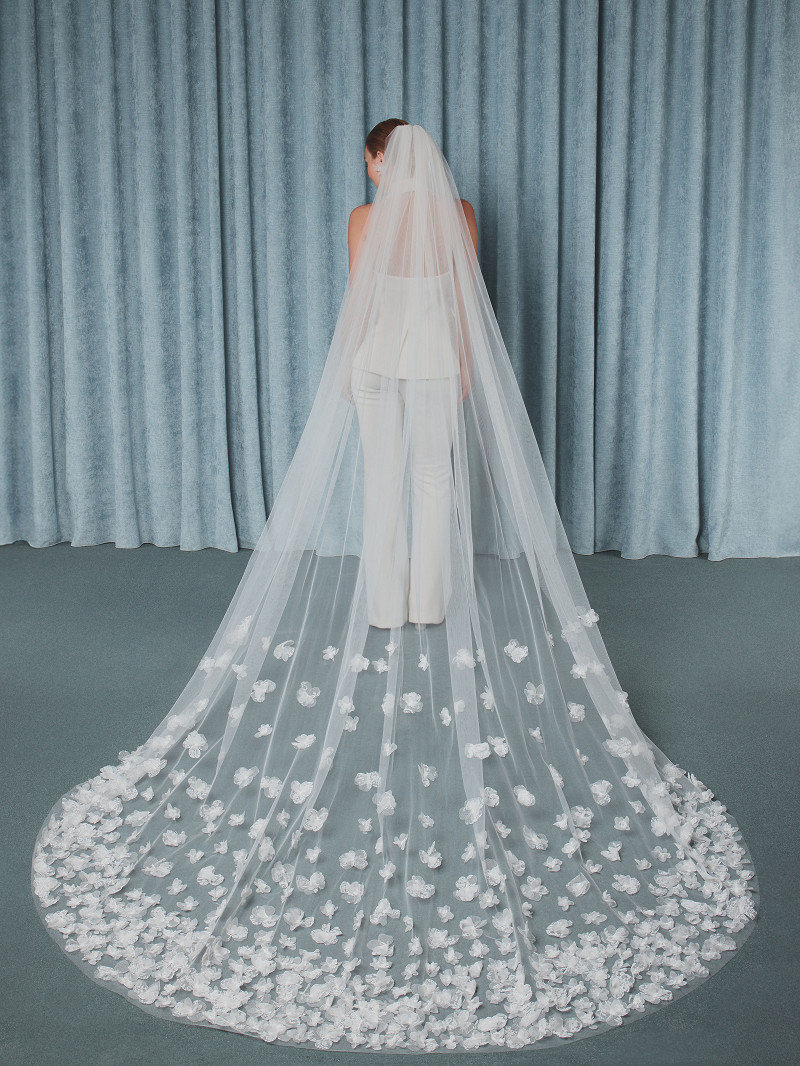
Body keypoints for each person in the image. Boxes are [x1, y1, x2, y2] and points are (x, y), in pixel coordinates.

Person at [31, 121, 758, 1053]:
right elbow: (465, 302)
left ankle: (385, 602)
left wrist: (350, 375)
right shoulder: (461, 214)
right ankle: (427, 599)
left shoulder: (363, 219)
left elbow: (359, 302)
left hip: (377, 364)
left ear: (380, 161)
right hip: (438, 363)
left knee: (382, 487)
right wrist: (462, 372)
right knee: (433, 483)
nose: (374, 171)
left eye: (372, 160)